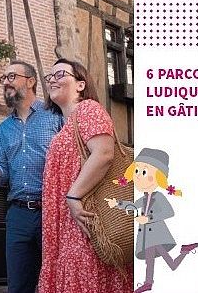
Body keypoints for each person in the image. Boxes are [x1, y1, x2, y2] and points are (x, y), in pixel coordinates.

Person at [0, 60, 63, 293]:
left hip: (53, 210)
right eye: (3, 78)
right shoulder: (4, 128)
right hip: (18, 215)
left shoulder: (55, 116)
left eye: (11, 77)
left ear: (31, 81)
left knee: (56, 283)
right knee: (17, 286)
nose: (6, 82)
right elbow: (1, 174)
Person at [38, 58, 133, 293]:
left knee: (87, 274)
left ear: (81, 85)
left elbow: (104, 153)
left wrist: (73, 196)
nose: (52, 80)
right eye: (50, 77)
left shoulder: (88, 108)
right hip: (70, 222)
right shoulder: (67, 123)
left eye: (60, 74)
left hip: (84, 216)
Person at [107, 148, 198, 293]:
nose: (138, 176)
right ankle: (151, 280)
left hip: (157, 235)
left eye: (144, 172)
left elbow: (169, 212)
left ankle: (149, 282)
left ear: (159, 178)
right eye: (136, 171)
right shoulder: (144, 198)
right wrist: (117, 203)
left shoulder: (159, 197)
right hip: (147, 236)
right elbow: (133, 205)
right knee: (164, 262)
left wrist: (148, 218)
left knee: (166, 264)